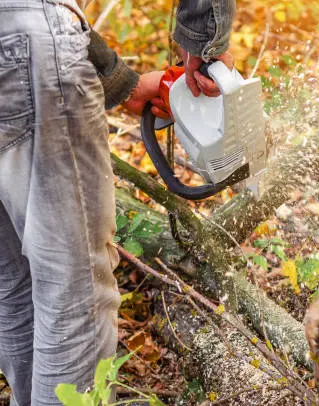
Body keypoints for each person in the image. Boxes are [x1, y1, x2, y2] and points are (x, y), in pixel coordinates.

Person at [0, 0, 234, 404]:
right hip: (29, 38)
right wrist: (205, 45)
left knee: (13, 279)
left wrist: (120, 82)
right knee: (75, 294)